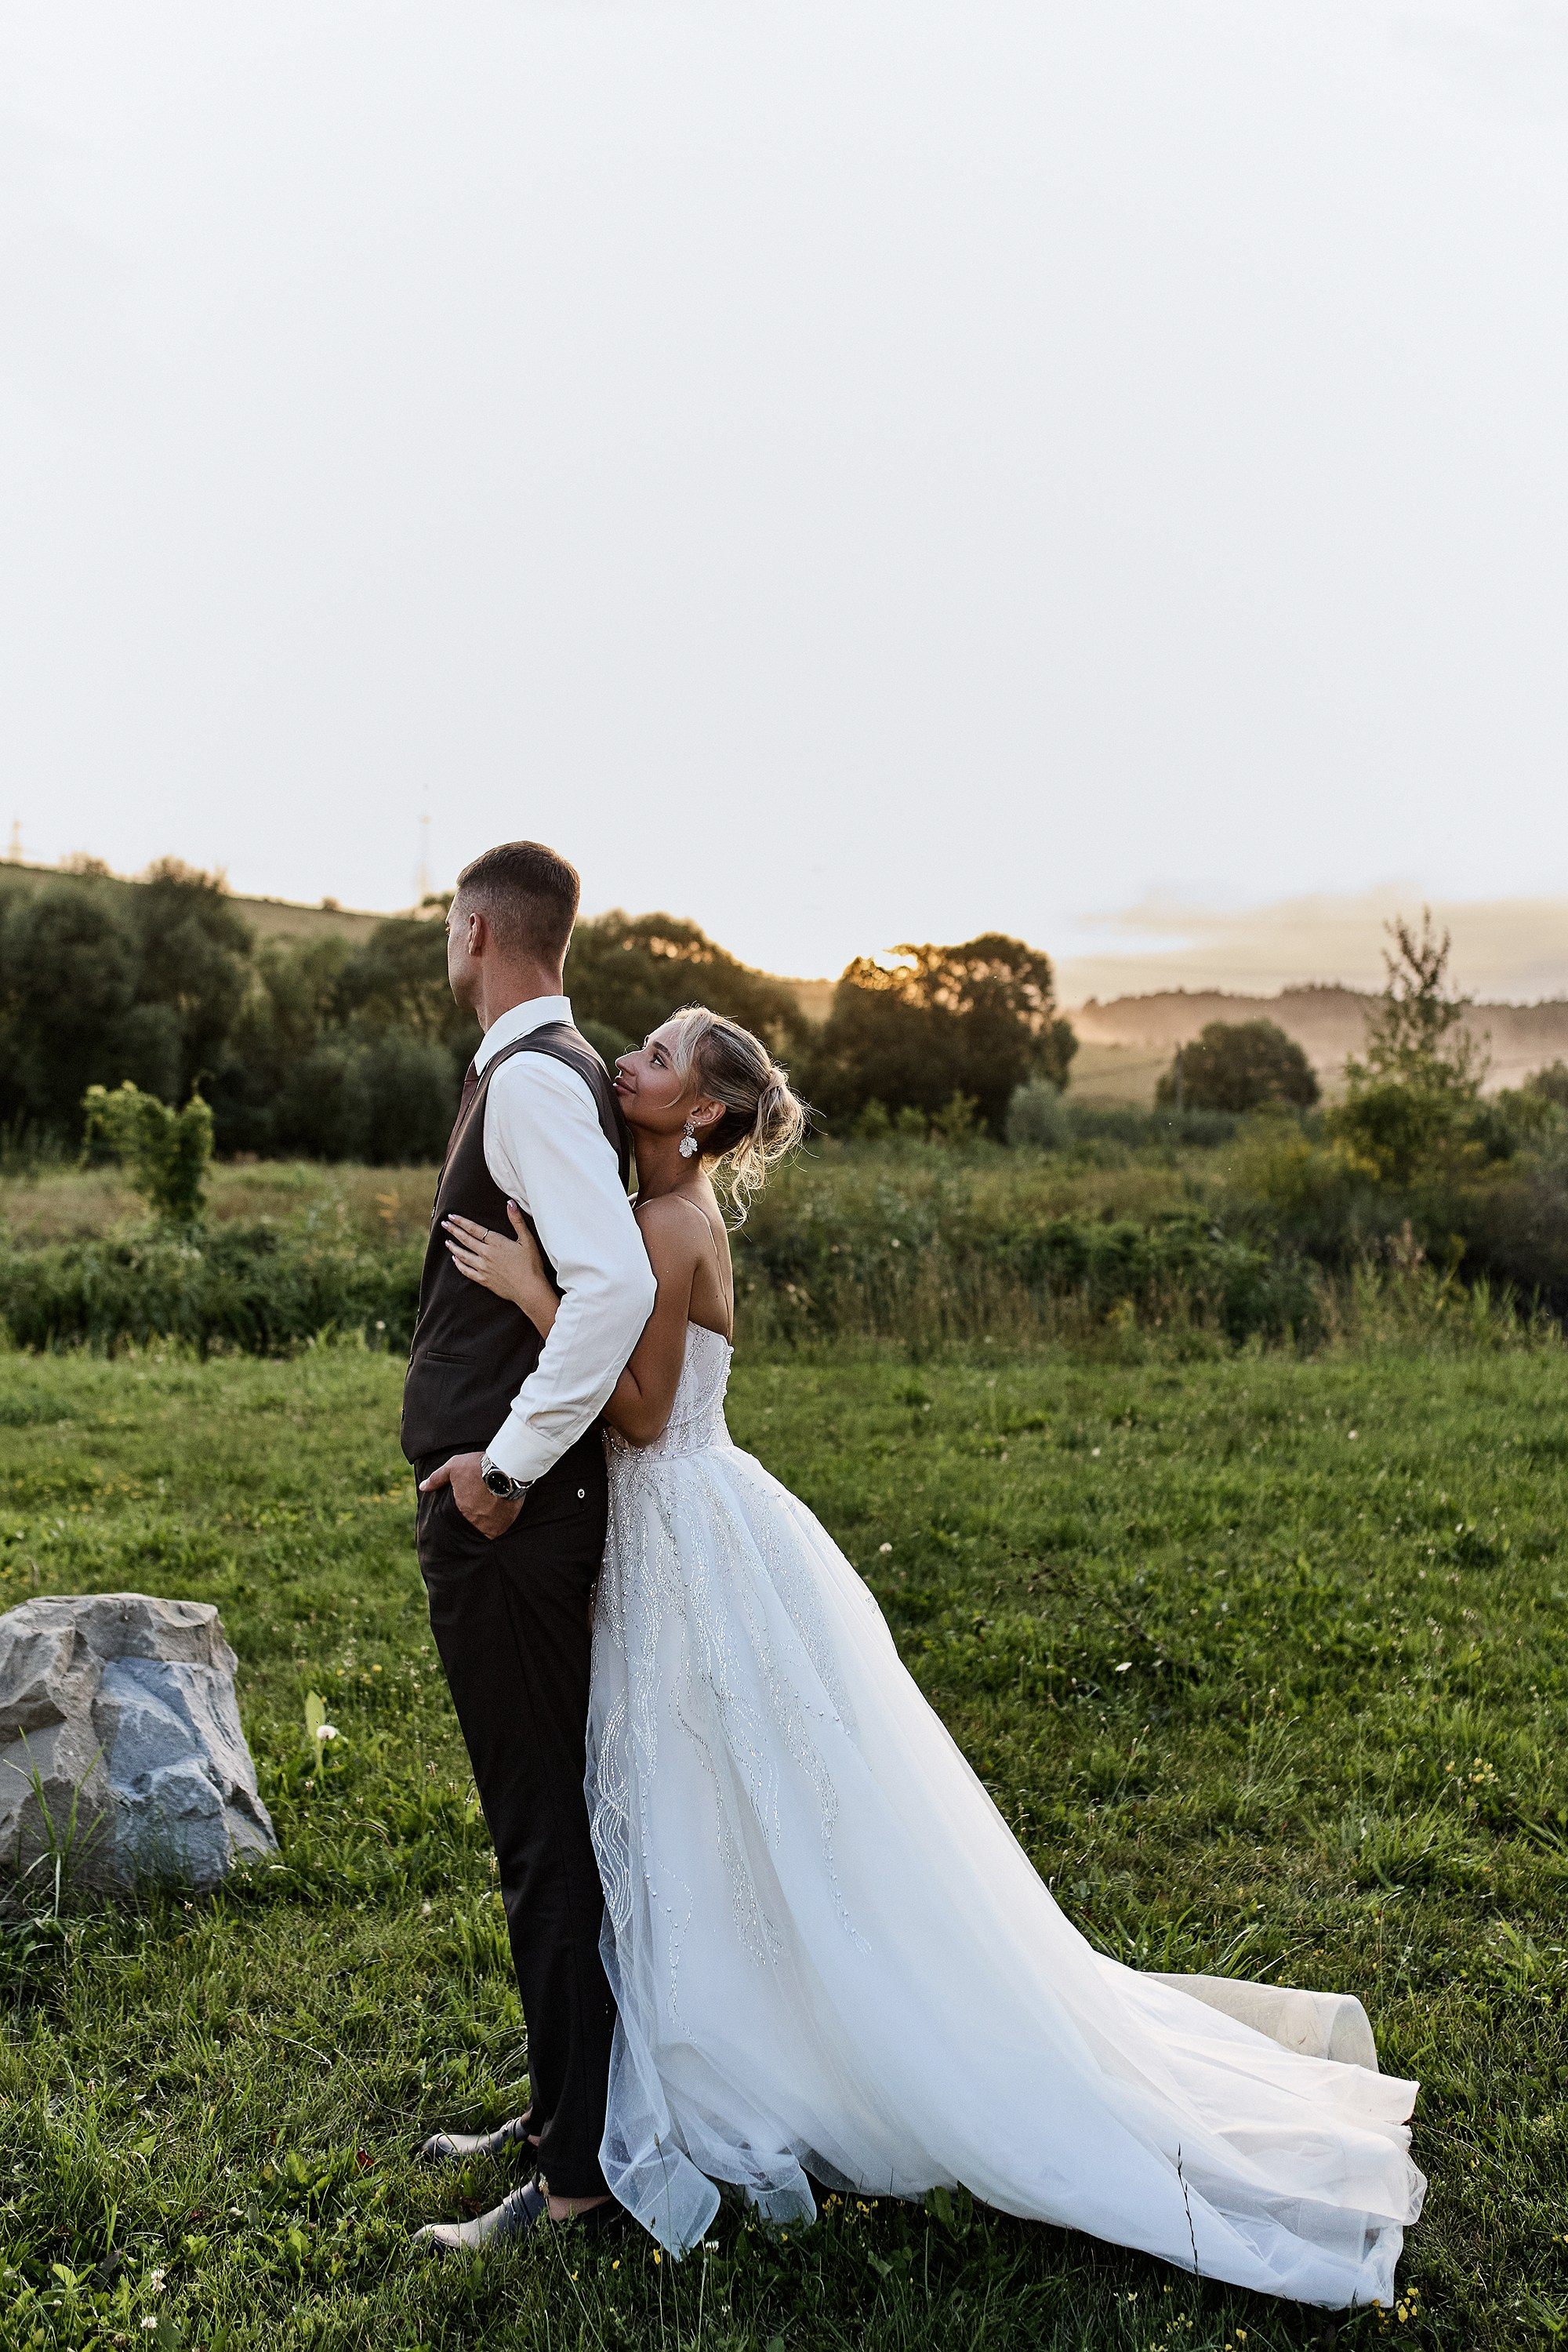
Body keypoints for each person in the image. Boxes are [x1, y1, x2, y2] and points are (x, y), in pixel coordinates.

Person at [441, 1004, 1425, 2307]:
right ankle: (630, 2084)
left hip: (687, 1535)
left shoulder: (671, 1225)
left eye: (662, 1058)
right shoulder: (662, 1208)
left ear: (703, 1117)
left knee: (707, 1811)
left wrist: (533, 1295)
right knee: (700, 1816)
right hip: (685, 1538)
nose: (632, 1059)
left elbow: (643, 1413)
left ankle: (715, 2077)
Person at [405, 840, 655, 2256]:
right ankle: (570, 2106)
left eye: (447, 924)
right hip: (517, 1517)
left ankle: (573, 2184)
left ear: (480, 926)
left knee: (541, 1835)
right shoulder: (552, 1067)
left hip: (512, 1526)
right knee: (552, 1823)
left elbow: (609, 1285)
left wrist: (502, 1472)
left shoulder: (535, 1081)